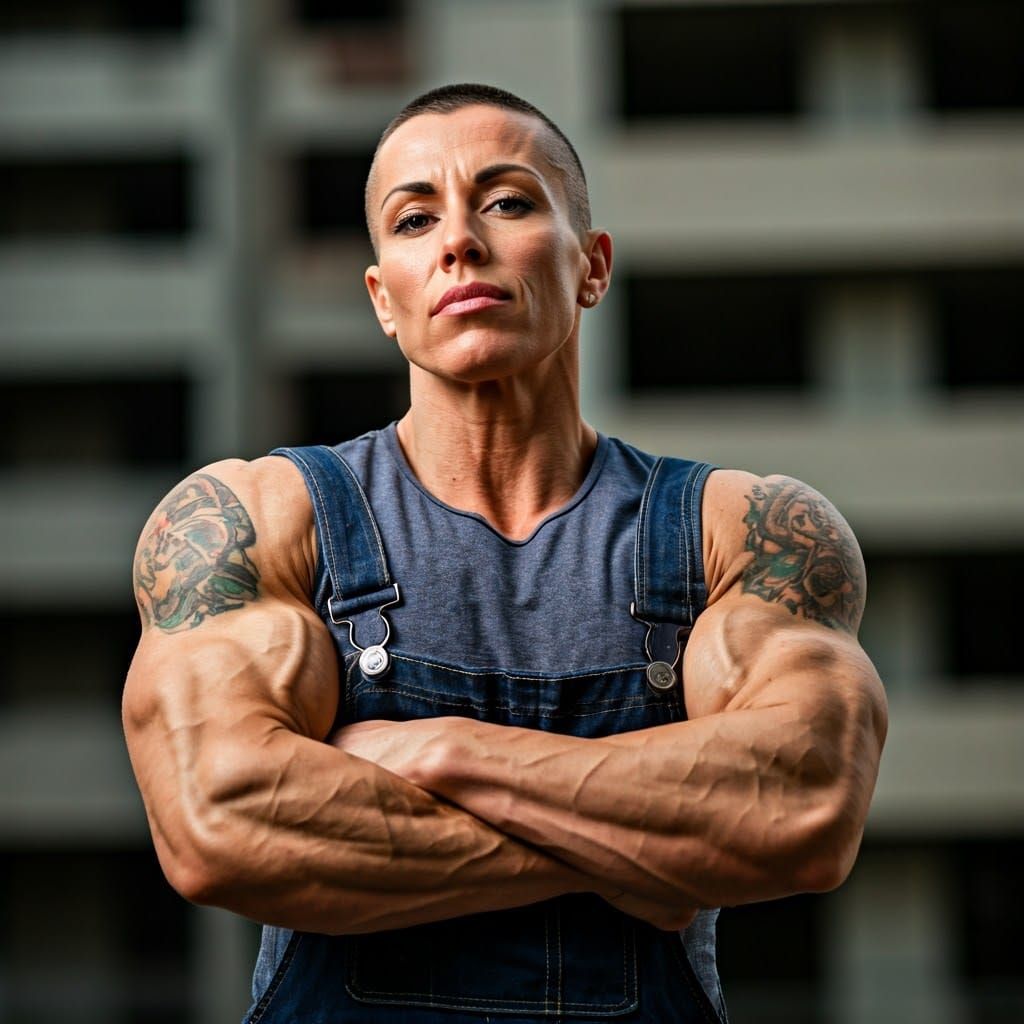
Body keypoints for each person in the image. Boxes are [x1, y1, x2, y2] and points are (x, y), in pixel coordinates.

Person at [123, 83, 888, 1023]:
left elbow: (802, 807)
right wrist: (640, 859)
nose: (459, 241)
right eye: (414, 220)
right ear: (384, 300)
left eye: (508, 202)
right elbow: (220, 823)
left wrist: (443, 753)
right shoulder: (260, 516)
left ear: (591, 266)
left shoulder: (739, 529)